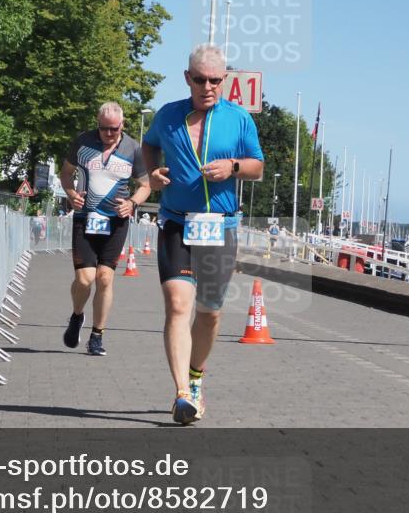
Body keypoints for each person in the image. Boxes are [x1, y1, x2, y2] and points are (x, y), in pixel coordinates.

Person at [142, 44, 264, 423]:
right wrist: (154, 173)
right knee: (178, 305)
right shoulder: (169, 116)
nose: (207, 86)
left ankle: (196, 377)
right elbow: (149, 147)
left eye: (215, 80)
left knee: (209, 313)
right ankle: (181, 394)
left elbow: (257, 167)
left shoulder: (239, 119)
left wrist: (233, 166)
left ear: (224, 80)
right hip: (177, 222)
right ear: (187, 78)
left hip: (220, 226)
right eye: (200, 79)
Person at [60, 102, 150, 356]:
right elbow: (65, 173)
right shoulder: (83, 142)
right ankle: (77, 316)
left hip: (115, 221)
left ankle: (97, 335)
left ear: (122, 125)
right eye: (104, 129)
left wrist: (132, 203)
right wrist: (70, 193)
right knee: (84, 279)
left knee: (105, 278)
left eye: (114, 129)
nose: (109, 134)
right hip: (85, 217)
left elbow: (145, 185)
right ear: (97, 125)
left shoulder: (133, 148)